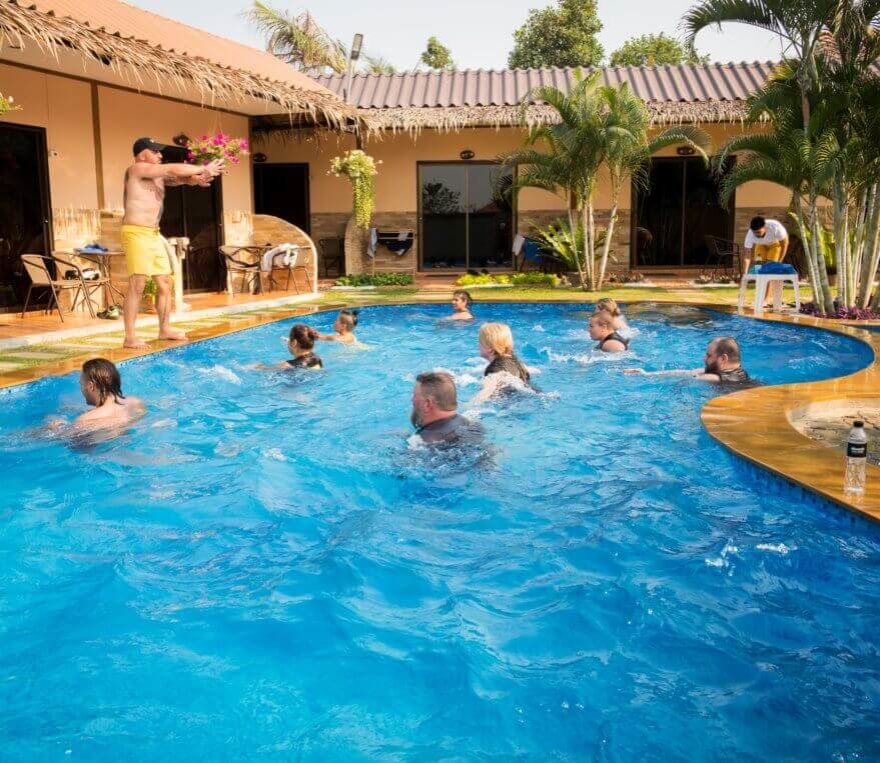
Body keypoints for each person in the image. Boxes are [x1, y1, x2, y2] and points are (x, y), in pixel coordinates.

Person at [121, 137, 223, 349]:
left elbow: (178, 178)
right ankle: (130, 337)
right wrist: (202, 167)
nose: (160, 155)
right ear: (141, 154)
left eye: (160, 152)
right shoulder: (137, 169)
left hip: (153, 233)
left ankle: (164, 328)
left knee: (165, 283)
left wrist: (197, 178)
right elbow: (173, 168)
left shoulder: (156, 176)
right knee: (137, 284)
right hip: (136, 232)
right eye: (155, 151)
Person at [624, 336, 752, 384]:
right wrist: (646, 373)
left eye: (709, 355)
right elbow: (689, 372)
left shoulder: (717, 378)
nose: (704, 358)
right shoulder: (737, 371)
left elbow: (690, 378)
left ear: (723, 358)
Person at [68, 358, 145, 433]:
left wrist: (58, 426)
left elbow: (74, 444)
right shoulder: (135, 402)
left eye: (81, 384)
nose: (81, 389)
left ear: (91, 386)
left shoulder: (84, 421)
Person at [411, 371, 485, 445]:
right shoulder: (472, 425)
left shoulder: (423, 440)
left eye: (414, 395)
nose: (412, 399)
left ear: (427, 404)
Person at [472, 322, 532, 403]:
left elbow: (485, 393)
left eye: (479, 341)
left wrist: (467, 407)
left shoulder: (494, 369)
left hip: (516, 405)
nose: (477, 345)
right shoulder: (514, 359)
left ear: (490, 348)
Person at [743, 216, 791, 308]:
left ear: (765, 227)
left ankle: (766, 300)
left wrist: (779, 261)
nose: (756, 235)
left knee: (768, 270)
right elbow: (747, 255)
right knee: (758, 269)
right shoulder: (750, 234)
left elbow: (784, 244)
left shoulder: (775, 227)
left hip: (775, 245)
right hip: (760, 245)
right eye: (755, 233)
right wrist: (745, 273)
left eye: (759, 232)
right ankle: (759, 297)